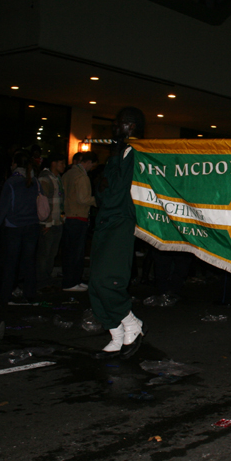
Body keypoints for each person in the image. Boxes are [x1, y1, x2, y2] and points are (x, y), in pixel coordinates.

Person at [88, 107, 146, 359]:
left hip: (120, 220)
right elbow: (103, 191)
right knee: (95, 283)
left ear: (131, 126)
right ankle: (116, 333)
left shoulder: (134, 152)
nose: (114, 127)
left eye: (119, 123)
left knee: (107, 278)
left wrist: (105, 189)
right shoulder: (117, 152)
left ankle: (132, 324)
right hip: (106, 220)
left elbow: (116, 191)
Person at [0, 150, 40, 305]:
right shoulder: (34, 181)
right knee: (29, 262)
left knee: (10, 262)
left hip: (14, 226)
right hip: (32, 225)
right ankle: (29, 294)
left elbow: (4, 207)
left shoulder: (11, 182)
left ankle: (6, 295)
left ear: (16, 164)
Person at [61, 151, 98, 292]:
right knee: (76, 252)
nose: (91, 169)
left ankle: (73, 280)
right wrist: (97, 200)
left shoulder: (68, 174)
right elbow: (83, 199)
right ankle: (71, 282)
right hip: (78, 216)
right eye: (92, 166)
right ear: (89, 162)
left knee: (70, 251)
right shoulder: (82, 177)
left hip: (69, 216)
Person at [36, 153, 66, 292]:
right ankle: (41, 280)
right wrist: (46, 222)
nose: (63, 166)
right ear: (53, 163)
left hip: (56, 221)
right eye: (61, 163)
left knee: (51, 253)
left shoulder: (57, 178)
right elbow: (43, 202)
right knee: (44, 253)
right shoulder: (45, 178)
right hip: (48, 222)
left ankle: (46, 278)